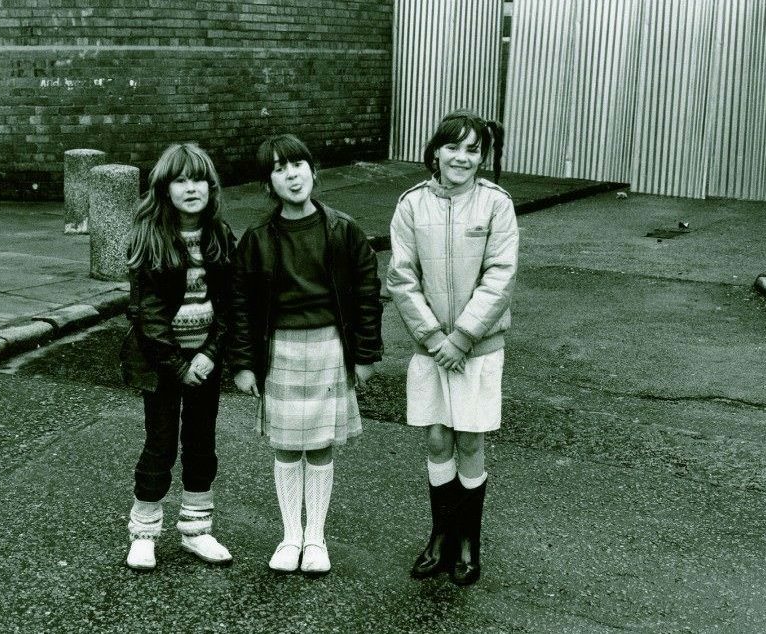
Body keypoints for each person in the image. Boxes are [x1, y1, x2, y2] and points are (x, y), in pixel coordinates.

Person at [228, 133, 383, 574]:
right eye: (278, 169)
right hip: (280, 350)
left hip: (330, 347)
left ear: (313, 171)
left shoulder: (343, 229)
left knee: (319, 447)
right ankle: (289, 537)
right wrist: (243, 362)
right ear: (268, 184)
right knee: (285, 446)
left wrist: (366, 354)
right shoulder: (257, 238)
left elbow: (368, 295)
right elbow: (240, 305)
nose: (291, 175)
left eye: (297, 164)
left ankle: (315, 538)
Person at [387, 109, 517, 586]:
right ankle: (440, 537)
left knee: (470, 439)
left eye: (472, 150)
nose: (462, 157)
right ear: (436, 151)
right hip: (430, 347)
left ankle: (467, 543)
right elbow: (402, 277)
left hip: (477, 348)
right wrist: (433, 337)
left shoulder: (496, 204)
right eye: (453, 147)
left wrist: (462, 336)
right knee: (438, 437)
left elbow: (500, 276)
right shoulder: (410, 205)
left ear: (481, 158)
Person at [121, 142, 237, 571]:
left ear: (211, 187)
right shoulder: (150, 238)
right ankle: (144, 532)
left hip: (204, 364)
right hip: (162, 366)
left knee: (201, 445)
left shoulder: (220, 236)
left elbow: (228, 305)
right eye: (180, 180)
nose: (191, 188)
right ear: (164, 189)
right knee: (160, 445)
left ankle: (197, 530)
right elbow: (147, 315)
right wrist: (179, 367)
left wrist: (208, 355)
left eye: (199, 179)